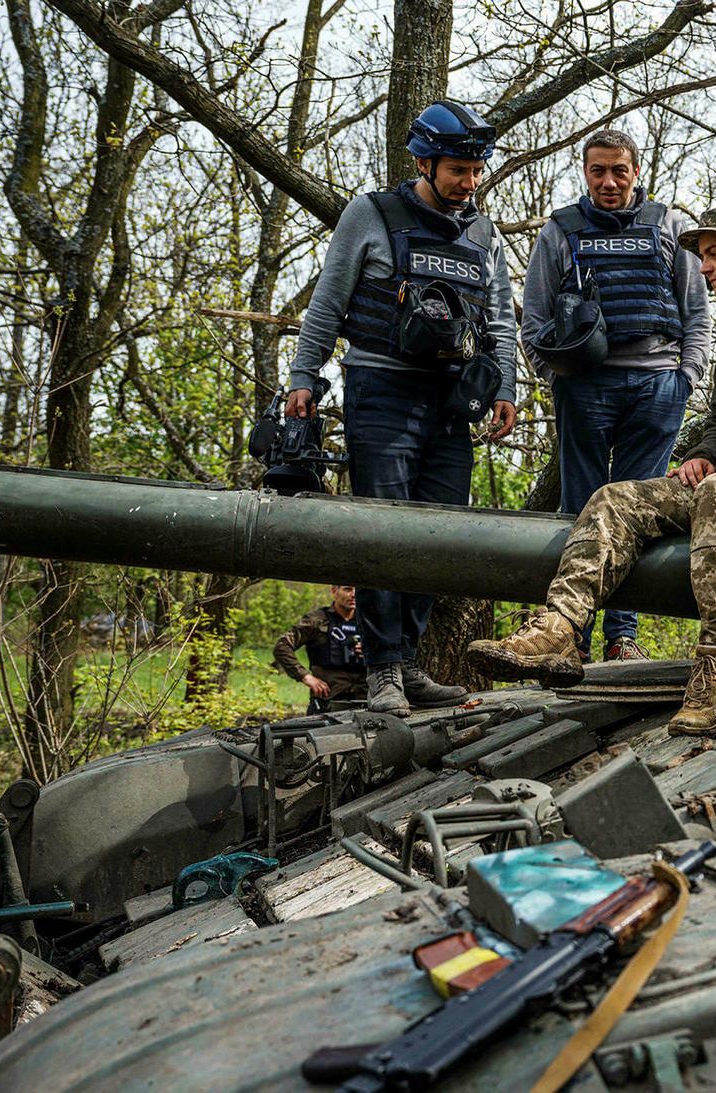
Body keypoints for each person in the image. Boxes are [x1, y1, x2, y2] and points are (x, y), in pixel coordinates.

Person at [472, 207, 716, 736]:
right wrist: (703, 454)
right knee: (615, 498)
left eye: (714, 254)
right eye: (702, 256)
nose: (704, 267)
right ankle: (557, 628)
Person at [285, 100, 518, 716]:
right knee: (383, 531)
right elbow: (328, 302)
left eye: (476, 170)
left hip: (451, 398)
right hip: (380, 389)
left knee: (441, 533)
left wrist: (505, 389)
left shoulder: (483, 233)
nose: (469, 182)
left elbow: (498, 320)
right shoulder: (372, 213)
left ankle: (406, 664)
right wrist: (303, 376)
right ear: (424, 161)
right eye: (458, 170)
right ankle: (383, 668)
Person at [522, 129, 711, 663]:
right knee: (578, 510)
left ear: (635, 170)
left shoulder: (670, 225)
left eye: (618, 171)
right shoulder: (561, 230)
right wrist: (555, 377)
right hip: (585, 387)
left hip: (657, 386)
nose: (608, 182)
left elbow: (698, 312)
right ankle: (571, 637)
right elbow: (533, 319)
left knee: (636, 512)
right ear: (585, 172)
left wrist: (686, 378)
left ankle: (621, 636)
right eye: (597, 171)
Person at [273, 585, 366, 713]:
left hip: (366, 698)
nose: (354, 594)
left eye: (358, 590)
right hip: (328, 700)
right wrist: (305, 676)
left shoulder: (369, 621)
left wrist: (371, 651)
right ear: (334, 591)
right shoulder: (317, 620)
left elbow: (395, 649)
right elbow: (282, 646)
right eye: (347, 589)